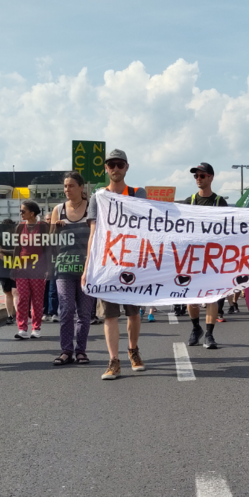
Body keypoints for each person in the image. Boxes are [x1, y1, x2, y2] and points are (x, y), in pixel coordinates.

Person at [82, 149, 147, 380]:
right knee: (110, 315)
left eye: (120, 164)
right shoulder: (98, 197)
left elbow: (149, 228)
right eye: (111, 165)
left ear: (126, 167)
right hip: (106, 264)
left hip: (132, 263)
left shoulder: (137, 193)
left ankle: (133, 350)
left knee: (133, 312)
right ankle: (114, 361)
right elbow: (93, 234)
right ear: (106, 168)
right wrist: (88, 266)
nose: (115, 169)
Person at [180, 162, 229, 349]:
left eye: (202, 176)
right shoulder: (189, 201)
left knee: (212, 297)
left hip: (213, 257)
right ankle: (195, 328)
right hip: (192, 257)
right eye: (196, 176)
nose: (198, 179)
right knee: (191, 297)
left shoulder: (219, 202)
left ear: (211, 177)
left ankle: (209, 334)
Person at [51, 171, 96, 366]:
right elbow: (49, 240)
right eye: (65, 186)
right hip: (64, 267)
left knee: (84, 314)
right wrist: (56, 228)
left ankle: (81, 351)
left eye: (71, 186)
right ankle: (66, 350)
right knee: (66, 309)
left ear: (81, 188)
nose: (67, 189)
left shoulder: (91, 209)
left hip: (87, 269)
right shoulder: (58, 210)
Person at [13, 200, 47, 340]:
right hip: (22, 266)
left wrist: (47, 268)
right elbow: (17, 248)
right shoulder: (20, 227)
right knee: (22, 297)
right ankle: (22, 328)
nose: (21, 213)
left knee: (37, 299)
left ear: (32, 213)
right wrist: (14, 267)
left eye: (23, 211)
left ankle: (36, 327)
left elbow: (48, 248)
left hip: (38, 267)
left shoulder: (43, 226)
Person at [0, 218, 18, 325]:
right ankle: (10, 315)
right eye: (12, 228)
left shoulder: (17, 238)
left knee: (15, 292)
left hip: (17, 266)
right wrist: (10, 262)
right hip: (3, 268)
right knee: (8, 292)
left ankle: (19, 315)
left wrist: (6, 252)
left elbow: (19, 250)